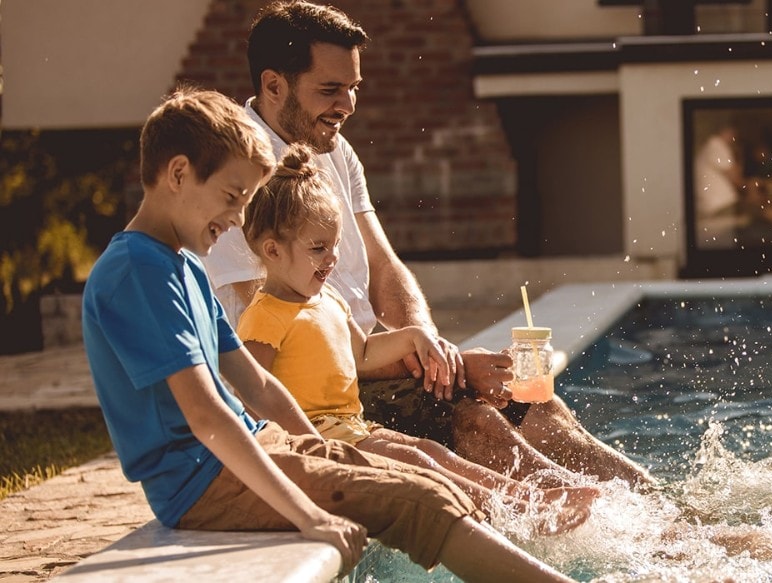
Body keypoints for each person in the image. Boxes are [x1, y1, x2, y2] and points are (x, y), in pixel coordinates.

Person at [81, 87, 573, 581]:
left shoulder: (181, 264)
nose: (236, 220)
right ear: (179, 173)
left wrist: (322, 449)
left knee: (421, 475)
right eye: (232, 198)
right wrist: (310, 515)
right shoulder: (138, 273)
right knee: (422, 500)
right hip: (204, 482)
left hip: (262, 448)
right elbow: (207, 415)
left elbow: (257, 386)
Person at [201, 0, 651, 487]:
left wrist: (435, 355)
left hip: (380, 358)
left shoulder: (337, 152)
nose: (348, 106)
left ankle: (671, 518)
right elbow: (283, 344)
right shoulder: (237, 175)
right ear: (273, 85)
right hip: (327, 394)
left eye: (353, 89)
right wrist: (430, 368)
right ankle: (603, 527)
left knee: (540, 405)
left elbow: (384, 266)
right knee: (478, 421)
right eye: (330, 90)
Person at [237, 142, 598, 533]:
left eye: (336, 245)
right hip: (323, 443)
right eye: (318, 248)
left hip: (354, 428)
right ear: (272, 251)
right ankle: (515, 510)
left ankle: (525, 498)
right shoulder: (265, 317)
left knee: (430, 451)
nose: (332, 258)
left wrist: (413, 337)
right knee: (423, 465)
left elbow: (361, 353)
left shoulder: (328, 300)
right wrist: (294, 459)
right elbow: (253, 393)